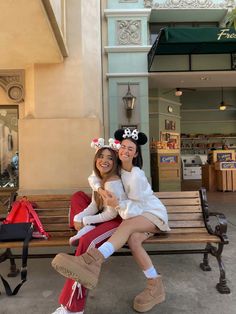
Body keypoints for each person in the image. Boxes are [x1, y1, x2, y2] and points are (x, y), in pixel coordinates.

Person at [52, 128, 170, 313]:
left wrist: (116, 204)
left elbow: (133, 211)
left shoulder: (136, 176)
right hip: (137, 214)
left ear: (136, 153)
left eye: (131, 149)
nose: (125, 151)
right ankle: (155, 284)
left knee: (128, 225)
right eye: (123, 147)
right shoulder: (120, 169)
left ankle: (94, 259)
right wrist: (99, 191)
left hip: (151, 213)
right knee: (133, 240)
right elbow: (95, 178)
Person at [52, 138, 126, 314]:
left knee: (86, 245)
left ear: (115, 163)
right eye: (101, 156)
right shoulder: (99, 180)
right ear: (95, 159)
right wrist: (80, 217)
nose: (105, 161)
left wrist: (86, 222)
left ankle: (73, 308)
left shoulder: (112, 182)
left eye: (110, 158)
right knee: (78, 198)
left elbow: (112, 214)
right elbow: (94, 205)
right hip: (106, 219)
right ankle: (68, 306)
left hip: (119, 223)